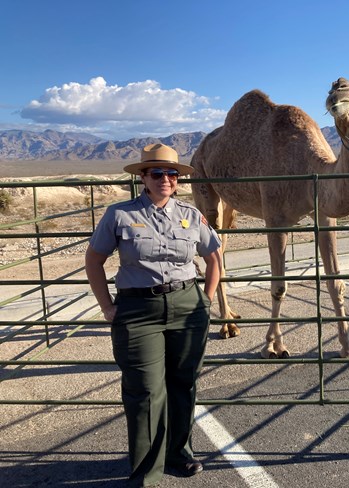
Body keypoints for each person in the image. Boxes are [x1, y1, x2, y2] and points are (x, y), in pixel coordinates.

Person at [85, 143, 222, 487]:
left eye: (171, 173)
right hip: (138, 310)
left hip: (187, 306)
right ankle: (146, 470)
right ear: (143, 177)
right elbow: (94, 261)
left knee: (183, 383)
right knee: (145, 390)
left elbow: (214, 257)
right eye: (157, 173)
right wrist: (107, 307)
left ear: (178, 180)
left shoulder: (191, 215)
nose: (165, 179)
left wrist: (205, 301)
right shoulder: (119, 215)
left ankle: (179, 454)